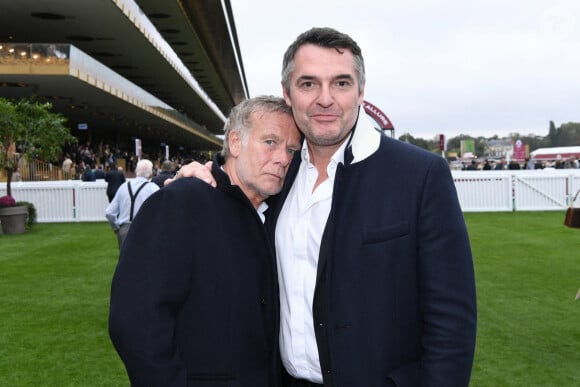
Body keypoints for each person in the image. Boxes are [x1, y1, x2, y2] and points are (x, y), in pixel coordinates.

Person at [177, 27, 477, 386]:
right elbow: (231, 180)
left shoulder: (420, 174)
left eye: (341, 83)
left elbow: (452, 318)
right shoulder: (276, 174)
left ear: (361, 91)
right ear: (287, 93)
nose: (325, 99)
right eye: (308, 84)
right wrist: (203, 174)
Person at [108, 96, 301, 386]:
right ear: (235, 142)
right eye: (270, 142)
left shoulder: (280, 213)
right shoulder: (180, 203)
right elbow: (136, 323)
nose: (283, 158)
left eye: (291, 149)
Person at [105, 159, 158, 249]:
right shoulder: (153, 188)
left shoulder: (123, 187)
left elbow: (109, 212)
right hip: (146, 228)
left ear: (135, 171)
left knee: (126, 261)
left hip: (125, 230)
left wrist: (116, 228)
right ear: (150, 173)